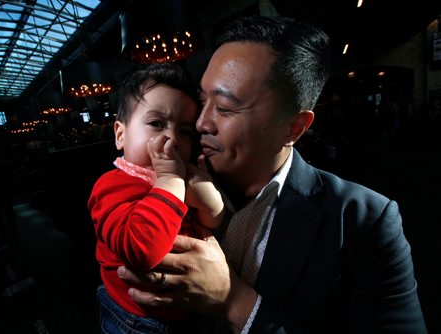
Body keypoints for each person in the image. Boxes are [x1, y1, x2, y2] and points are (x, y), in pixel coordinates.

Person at [116, 15, 427, 333]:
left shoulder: (364, 221)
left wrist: (233, 301)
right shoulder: (160, 181)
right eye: (201, 101)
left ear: (294, 127)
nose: (200, 124)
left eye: (224, 108)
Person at [88, 63, 224, 333]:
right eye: (156, 124)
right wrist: (170, 181)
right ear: (120, 134)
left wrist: (209, 198)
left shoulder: (182, 175)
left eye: (184, 131)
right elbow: (141, 251)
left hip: (189, 309)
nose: (171, 139)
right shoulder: (112, 186)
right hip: (137, 320)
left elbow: (212, 222)